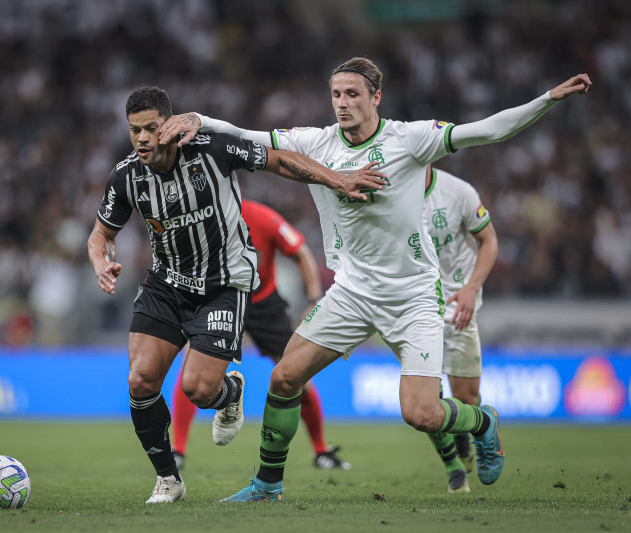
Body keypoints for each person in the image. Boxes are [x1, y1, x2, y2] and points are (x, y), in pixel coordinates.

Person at [159, 57, 591, 502]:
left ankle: (483, 422)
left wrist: (547, 99)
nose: (342, 103)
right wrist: (200, 119)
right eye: (336, 94)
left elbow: (488, 129)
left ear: (375, 97)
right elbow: (248, 136)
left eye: (352, 94)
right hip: (351, 292)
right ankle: (268, 486)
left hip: (414, 296)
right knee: (284, 378)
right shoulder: (315, 142)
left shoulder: (411, 138)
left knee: (421, 413)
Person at [88, 86, 386, 503]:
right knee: (140, 380)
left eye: (151, 128)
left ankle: (230, 393)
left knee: (199, 390)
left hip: (222, 286)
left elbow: (282, 160)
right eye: (134, 130)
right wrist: (101, 261)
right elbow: (100, 235)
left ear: (169, 125)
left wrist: (338, 179)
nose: (141, 138)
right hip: (165, 285)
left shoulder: (213, 150)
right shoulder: (126, 177)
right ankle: (168, 480)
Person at [170, 199, 351, 472]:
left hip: (263, 304)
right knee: (191, 370)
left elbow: (300, 252)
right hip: (220, 301)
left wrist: (314, 298)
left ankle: (321, 450)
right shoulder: (202, 217)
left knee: (297, 374)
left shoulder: (263, 217)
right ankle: (177, 451)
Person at [423, 164, 499, 493]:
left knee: (465, 399)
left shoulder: (458, 192)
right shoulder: (387, 191)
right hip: (414, 306)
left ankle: (472, 428)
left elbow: (490, 241)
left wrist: (470, 289)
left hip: (457, 305)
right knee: (425, 401)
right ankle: (453, 467)